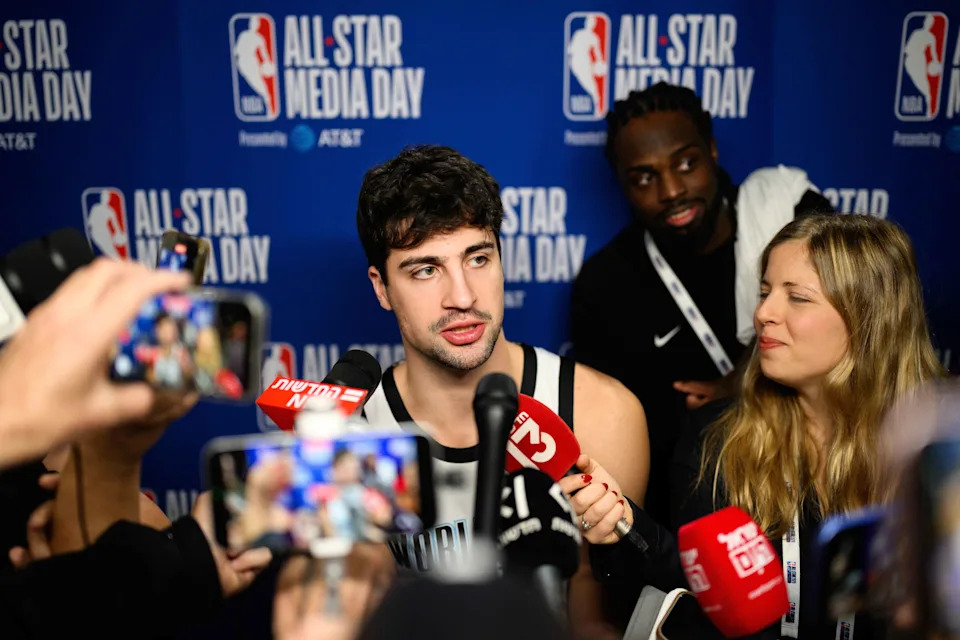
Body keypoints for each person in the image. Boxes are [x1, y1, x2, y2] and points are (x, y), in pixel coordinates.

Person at [565, 215, 946, 638]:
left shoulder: (936, 452)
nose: (763, 312)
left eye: (797, 297)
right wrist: (621, 524)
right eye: (764, 292)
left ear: (870, 316)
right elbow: (690, 586)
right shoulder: (718, 438)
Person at [356, 144, 649, 636]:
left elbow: (595, 623)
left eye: (478, 257)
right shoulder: (353, 438)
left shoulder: (602, 414)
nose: (463, 297)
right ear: (381, 287)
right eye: (426, 270)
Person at [571, 82, 833, 525]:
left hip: (815, 489)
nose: (671, 190)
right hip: (684, 517)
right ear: (621, 184)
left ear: (712, 150)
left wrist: (744, 378)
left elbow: (853, 335)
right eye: (644, 178)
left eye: (686, 163)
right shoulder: (605, 284)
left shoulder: (789, 218)